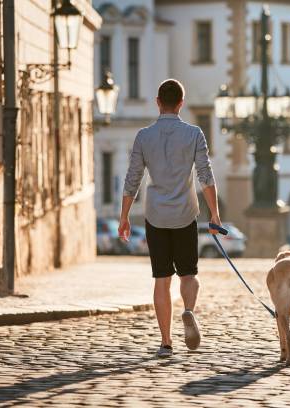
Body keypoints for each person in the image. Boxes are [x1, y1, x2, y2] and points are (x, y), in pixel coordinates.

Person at [118, 79, 221, 358]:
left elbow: (133, 180)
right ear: (181, 104)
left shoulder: (143, 136)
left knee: (161, 278)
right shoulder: (194, 134)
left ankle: (166, 342)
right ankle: (188, 310)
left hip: (155, 216)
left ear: (157, 102)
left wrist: (125, 216)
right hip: (185, 215)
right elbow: (205, 176)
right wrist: (215, 213)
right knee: (189, 274)